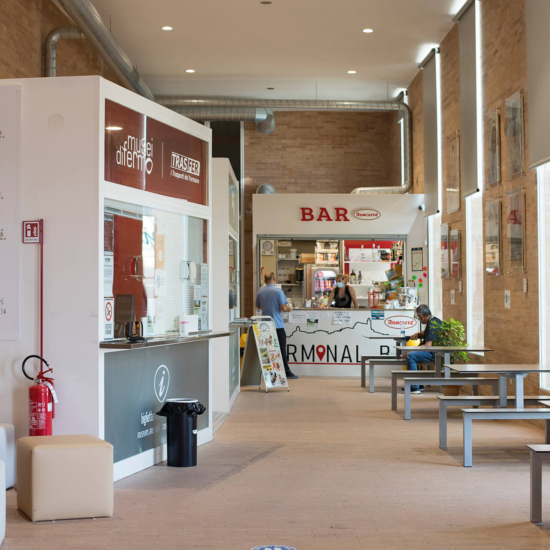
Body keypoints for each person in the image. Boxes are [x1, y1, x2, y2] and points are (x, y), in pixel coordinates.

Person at [255, 272, 298, 379]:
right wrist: (289, 308)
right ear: (274, 279)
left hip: (265, 325)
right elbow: (283, 308)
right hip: (277, 325)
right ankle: (286, 372)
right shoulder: (278, 291)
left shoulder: (260, 292)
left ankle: (269, 373)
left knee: (268, 349)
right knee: (281, 349)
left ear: (265, 280)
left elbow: (258, 306)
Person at [402, 304, 442, 394]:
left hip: (435, 353)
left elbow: (427, 345)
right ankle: (419, 385)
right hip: (437, 351)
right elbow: (427, 333)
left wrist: (410, 350)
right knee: (414, 355)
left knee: (411, 356)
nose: (419, 320)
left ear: (421, 316)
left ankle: (414, 387)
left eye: (418, 318)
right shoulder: (434, 320)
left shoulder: (431, 324)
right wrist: (418, 334)